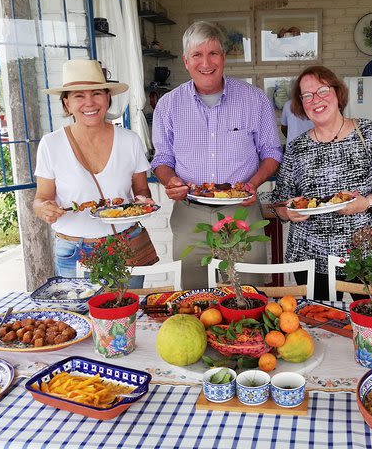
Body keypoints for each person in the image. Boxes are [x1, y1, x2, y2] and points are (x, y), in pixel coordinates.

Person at [151, 21, 282, 289]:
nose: (206, 62)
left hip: (241, 211)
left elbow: (271, 152)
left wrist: (253, 184)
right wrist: (170, 181)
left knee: (248, 293)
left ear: (223, 57)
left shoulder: (254, 99)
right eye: (197, 55)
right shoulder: (168, 105)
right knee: (193, 295)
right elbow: (161, 159)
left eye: (213, 53)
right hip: (189, 213)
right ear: (186, 61)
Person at [272, 65, 372, 300]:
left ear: (337, 93)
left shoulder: (369, 133)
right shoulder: (297, 147)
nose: (316, 100)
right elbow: (279, 203)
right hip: (311, 256)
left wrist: (366, 203)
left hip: (367, 253)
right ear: (301, 104)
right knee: (320, 326)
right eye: (307, 95)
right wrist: (288, 211)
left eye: (323, 91)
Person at [33, 59, 154, 278]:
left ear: (108, 98)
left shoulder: (130, 141)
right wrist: (43, 208)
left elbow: (142, 191)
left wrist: (143, 201)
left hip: (124, 246)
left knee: (128, 311)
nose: (90, 102)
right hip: (73, 250)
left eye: (97, 93)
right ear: (67, 104)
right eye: (79, 96)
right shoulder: (51, 144)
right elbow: (41, 198)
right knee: (78, 313)